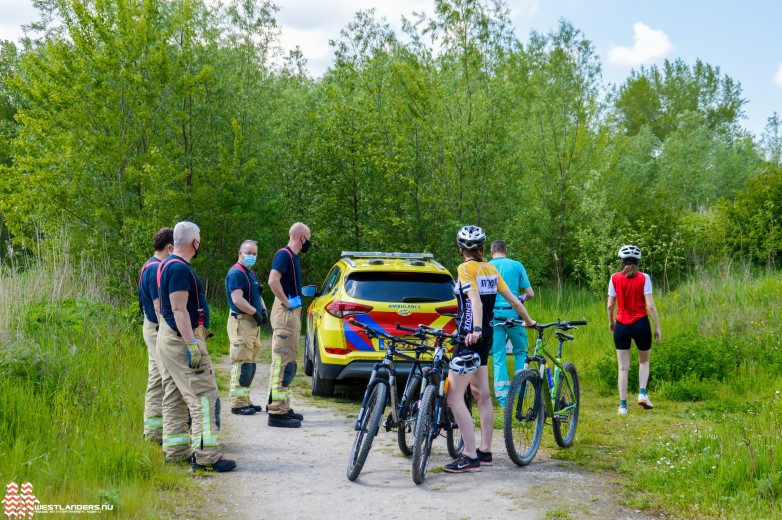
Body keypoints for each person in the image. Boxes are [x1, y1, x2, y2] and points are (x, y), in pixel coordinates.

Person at [444, 225, 536, 473]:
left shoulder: (465, 268)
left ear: (460, 249)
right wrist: (528, 320)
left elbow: (474, 300)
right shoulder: (491, 269)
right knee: (481, 394)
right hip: (486, 336)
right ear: (483, 248)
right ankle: (485, 451)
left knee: (453, 395)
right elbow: (515, 299)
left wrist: (472, 330)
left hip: (470, 338)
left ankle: (470, 455)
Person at [156, 221, 236, 472]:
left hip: (167, 339)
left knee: (174, 396)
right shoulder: (179, 268)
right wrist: (192, 343)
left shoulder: (166, 264)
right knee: (203, 396)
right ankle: (206, 456)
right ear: (195, 243)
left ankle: (175, 452)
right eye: (199, 238)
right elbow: (179, 309)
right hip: (182, 340)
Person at [607, 245, 662, 415]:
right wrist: (657, 327)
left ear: (621, 261)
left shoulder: (614, 278)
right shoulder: (644, 278)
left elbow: (610, 306)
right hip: (641, 324)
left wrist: (611, 322)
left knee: (623, 367)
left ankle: (623, 406)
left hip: (621, 324)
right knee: (643, 361)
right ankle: (642, 393)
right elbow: (650, 305)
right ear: (638, 261)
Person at [266, 222, 311, 428]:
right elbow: (273, 280)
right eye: (308, 238)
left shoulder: (293, 257)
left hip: (292, 312)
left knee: (288, 361)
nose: (309, 242)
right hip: (286, 313)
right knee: (283, 363)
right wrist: (286, 301)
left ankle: (282, 405)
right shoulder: (284, 254)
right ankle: (276, 412)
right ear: (301, 237)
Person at [138, 227, 174, 443]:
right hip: (157, 328)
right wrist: (168, 334)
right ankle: (167, 434)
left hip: (150, 326)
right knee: (167, 379)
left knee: (156, 379)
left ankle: (153, 433)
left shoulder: (148, 265)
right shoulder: (156, 269)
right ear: (170, 247)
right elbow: (158, 305)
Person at [488, 240, 534, 408]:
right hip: (514, 313)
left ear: (491, 252)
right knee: (520, 351)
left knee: (498, 356)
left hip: (494, 317)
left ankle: (503, 401)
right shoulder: (516, 265)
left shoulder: (486, 267)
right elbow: (530, 293)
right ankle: (522, 393)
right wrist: (521, 298)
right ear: (505, 251)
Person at [225, 240, 268, 416]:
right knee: (241, 364)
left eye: (255, 253)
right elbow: (237, 299)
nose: (251, 256)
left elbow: (257, 295)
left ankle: (245, 399)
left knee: (250, 364)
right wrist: (255, 312)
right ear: (240, 253)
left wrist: (263, 310)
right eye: (248, 252)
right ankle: (237, 403)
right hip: (242, 321)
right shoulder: (236, 273)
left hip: (251, 324)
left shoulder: (251, 273)